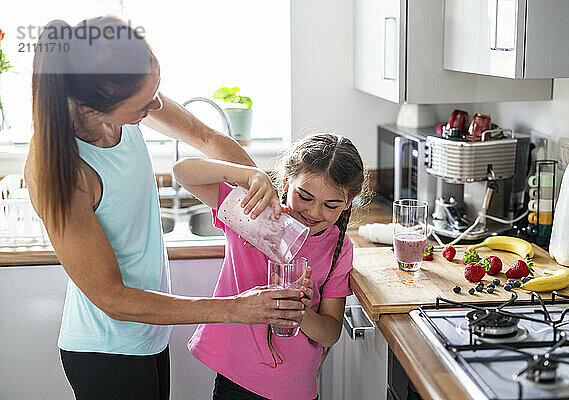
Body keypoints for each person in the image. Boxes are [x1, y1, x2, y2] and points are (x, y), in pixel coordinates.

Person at [24, 16, 308, 400]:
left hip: (149, 336)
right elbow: (113, 298)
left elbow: (206, 137)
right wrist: (234, 309)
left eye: (156, 90)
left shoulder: (127, 97)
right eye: (145, 103)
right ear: (94, 107)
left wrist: (258, 182)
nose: (157, 105)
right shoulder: (60, 168)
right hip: (107, 351)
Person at [173, 133, 366, 400]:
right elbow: (182, 172)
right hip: (236, 382)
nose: (313, 212)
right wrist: (251, 175)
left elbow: (330, 334)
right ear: (286, 182)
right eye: (305, 197)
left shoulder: (339, 248)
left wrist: (303, 313)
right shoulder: (253, 214)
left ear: (347, 204)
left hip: (296, 388)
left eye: (330, 205)